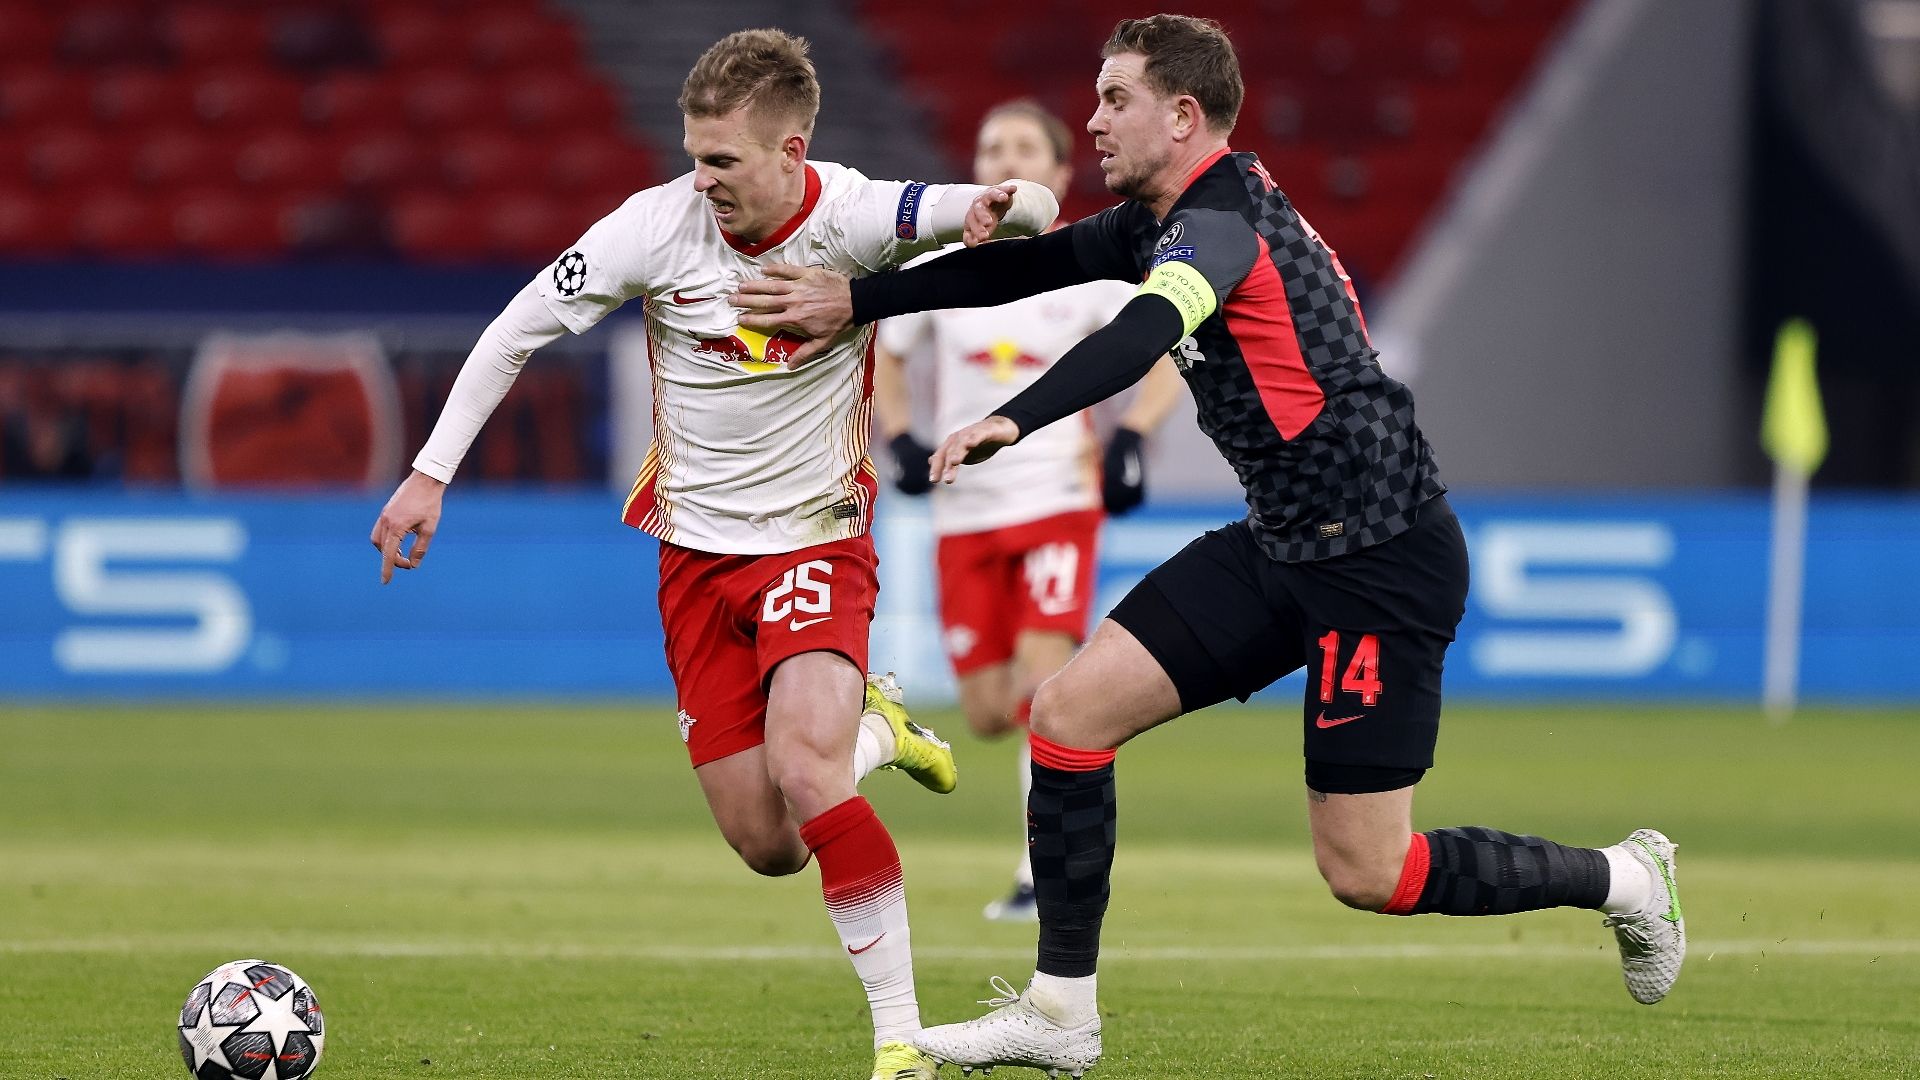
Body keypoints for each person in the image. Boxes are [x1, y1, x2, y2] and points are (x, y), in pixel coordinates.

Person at [730, 15, 1686, 1077]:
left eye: (1115, 100)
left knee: (1369, 870)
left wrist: (1016, 417)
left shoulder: (1221, 227)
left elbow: (1140, 332)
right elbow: (1020, 269)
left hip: (1381, 558)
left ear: (1183, 116)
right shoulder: (1156, 222)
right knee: (1068, 714)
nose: (1091, 122)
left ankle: (1628, 880)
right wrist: (856, 300)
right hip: (1283, 544)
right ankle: (1061, 1013)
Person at [367, 29, 1061, 1080]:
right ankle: (879, 732)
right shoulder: (655, 226)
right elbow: (516, 328)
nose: (705, 180)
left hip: (817, 537)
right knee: (767, 840)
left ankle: (900, 1040)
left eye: (724, 161)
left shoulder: (860, 214)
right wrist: (430, 473)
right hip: (693, 558)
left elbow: (1021, 217)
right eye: (695, 156)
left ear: (792, 152)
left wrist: (1004, 207)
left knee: (805, 771)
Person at [872, 99, 1183, 923]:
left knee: (1045, 686)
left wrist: (1133, 439)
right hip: (965, 512)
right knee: (983, 713)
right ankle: (1047, 799)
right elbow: (889, 361)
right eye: (987, 145)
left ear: (1057, 175)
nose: (1002, 156)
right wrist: (900, 437)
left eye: (1021, 146)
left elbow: (1166, 353)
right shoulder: (938, 273)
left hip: (1056, 499)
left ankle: (1039, 870)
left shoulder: (1091, 270)